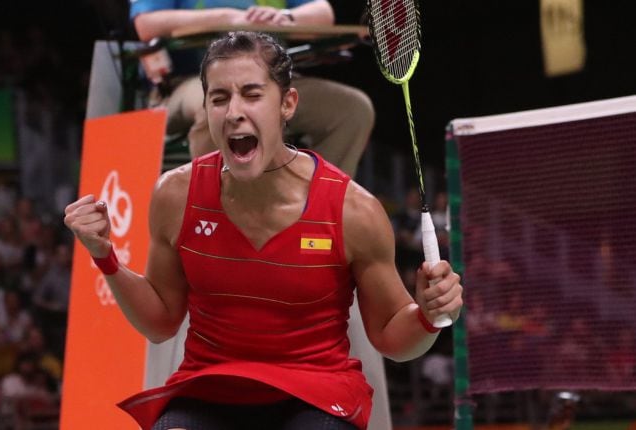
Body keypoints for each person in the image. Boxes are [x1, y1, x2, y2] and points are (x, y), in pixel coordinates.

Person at [64, 32, 462, 430]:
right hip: (211, 390)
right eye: (219, 98)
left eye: (252, 95)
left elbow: (393, 337)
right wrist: (105, 256)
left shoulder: (353, 211)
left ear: (287, 104)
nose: (234, 111)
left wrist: (429, 317)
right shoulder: (176, 195)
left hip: (316, 394)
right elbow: (161, 321)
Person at [130, 0, 374, 178]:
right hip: (188, 82)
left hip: (267, 81)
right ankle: (217, 207)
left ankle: (314, 210)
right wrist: (230, 17)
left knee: (351, 109)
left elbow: (323, 12)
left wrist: (286, 16)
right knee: (217, 106)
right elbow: (146, 24)